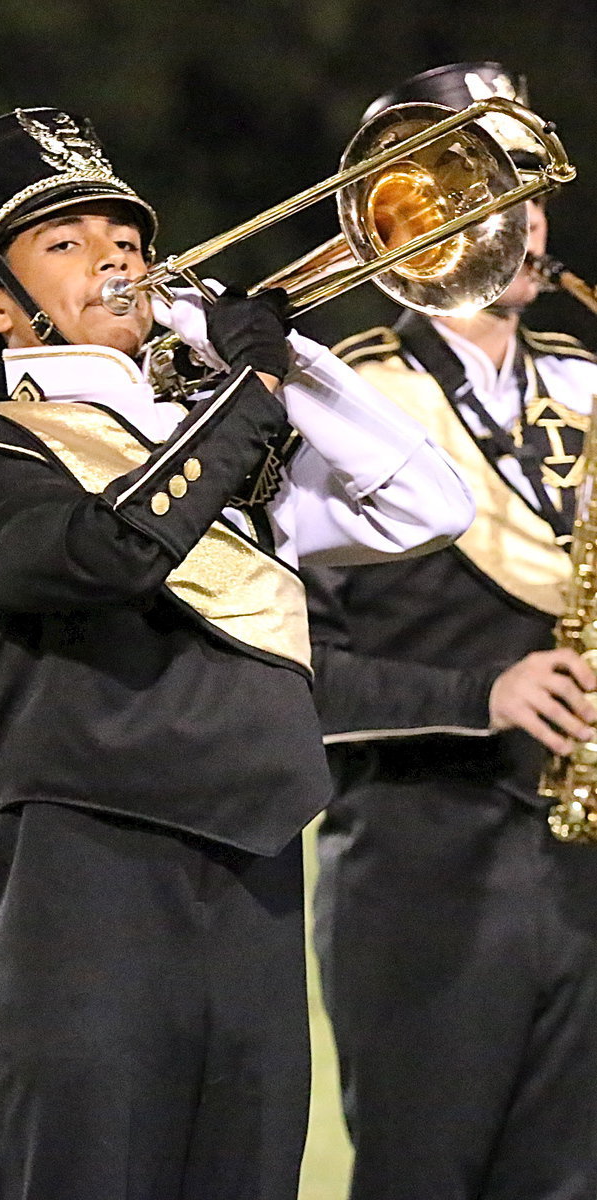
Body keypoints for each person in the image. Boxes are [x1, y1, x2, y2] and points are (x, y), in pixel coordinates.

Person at [0, 107, 473, 1200]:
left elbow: (426, 505)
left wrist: (278, 355)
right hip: (90, 890)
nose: (114, 258)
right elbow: (109, 550)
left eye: (126, 240)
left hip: (253, 881)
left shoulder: (217, 437)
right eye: (64, 245)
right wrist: (243, 400)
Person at [303, 62, 597, 1200]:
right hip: (417, 869)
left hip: (579, 869)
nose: (522, 219)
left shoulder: (585, 383)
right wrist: (482, 690)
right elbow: (296, 670)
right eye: (488, 185)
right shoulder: (341, 403)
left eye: (529, 188)